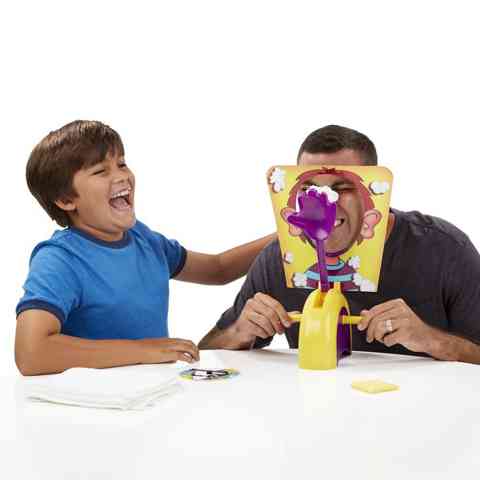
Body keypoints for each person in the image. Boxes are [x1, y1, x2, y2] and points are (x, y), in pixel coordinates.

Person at [199, 125, 480, 364]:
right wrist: (238, 333)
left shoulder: (442, 249)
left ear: (373, 196)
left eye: (342, 188)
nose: (324, 202)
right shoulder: (279, 258)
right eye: (309, 188)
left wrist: (433, 340)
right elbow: (206, 355)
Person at [15, 120, 274, 376]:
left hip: (151, 392)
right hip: (94, 399)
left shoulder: (142, 239)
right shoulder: (59, 259)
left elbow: (217, 269)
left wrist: (285, 235)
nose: (121, 176)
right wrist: (144, 350)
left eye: (121, 164)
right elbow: (31, 353)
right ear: (65, 199)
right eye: (101, 171)